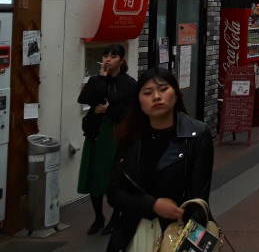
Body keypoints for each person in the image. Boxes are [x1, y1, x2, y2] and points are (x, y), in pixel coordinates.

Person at [106, 68, 213, 252]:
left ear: (176, 94)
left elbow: (199, 200)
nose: (156, 96)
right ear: (139, 101)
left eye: (163, 89)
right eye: (147, 93)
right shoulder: (129, 136)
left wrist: (189, 246)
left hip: (179, 232)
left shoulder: (197, 135)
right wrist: (152, 205)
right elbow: (114, 192)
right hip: (134, 232)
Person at [77, 44, 137, 235]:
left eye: (113, 56)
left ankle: (115, 218)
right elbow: (84, 98)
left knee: (113, 178)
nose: (108, 59)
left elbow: (130, 111)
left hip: (115, 134)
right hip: (95, 132)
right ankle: (98, 217)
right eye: (106, 55)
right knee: (94, 175)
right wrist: (102, 78)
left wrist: (108, 110)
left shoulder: (128, 83)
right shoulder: (96, 80)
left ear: (121, 60)